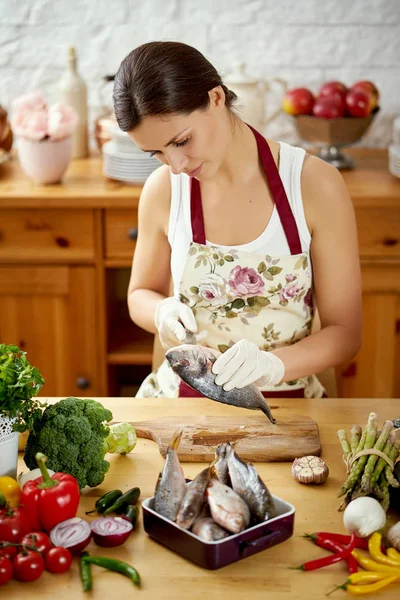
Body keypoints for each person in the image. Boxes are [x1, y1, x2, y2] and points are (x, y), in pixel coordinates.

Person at [112, 41, 362, 399]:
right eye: (157, 153)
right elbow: (139, 294)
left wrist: (273, 365)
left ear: (216, 98)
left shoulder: (312, 185)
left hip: (287, 407)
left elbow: (346, 334)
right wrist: (161, 310)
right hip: (180, 404)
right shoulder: (164, 189)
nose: (177, 165)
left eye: (181, 141)